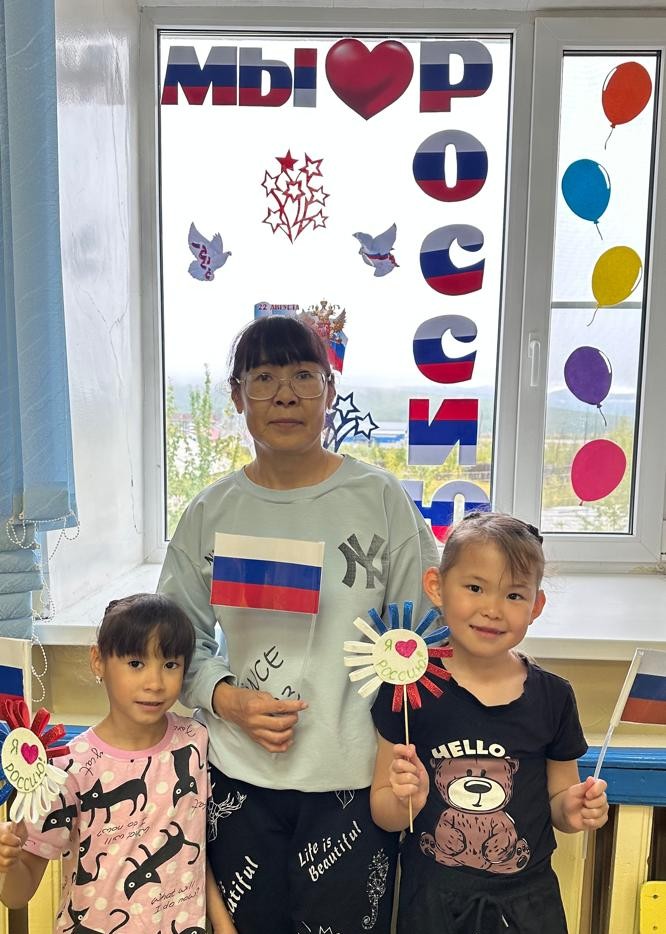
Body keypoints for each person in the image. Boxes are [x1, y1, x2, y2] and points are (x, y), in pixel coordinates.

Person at [158, 314, 439, 934]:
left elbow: (423, 636)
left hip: (355, 783)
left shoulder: (380, 500)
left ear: (329, 390)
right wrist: (225, 698)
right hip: (238, 778)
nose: (285, 395)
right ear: (237, 396)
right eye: (263, 378)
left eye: (304, 376)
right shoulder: (211, 512)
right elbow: (174, 643)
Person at [370, 512, 609, 934]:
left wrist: (574, 810)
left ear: (536, 606)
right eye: (475, 588)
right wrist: (409, 799)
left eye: (514, 595)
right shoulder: (409, 688)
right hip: (432, 901)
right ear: (436, 586)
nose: (492, 610)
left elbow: (560, 803)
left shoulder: (553, 697)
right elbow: (385, 812)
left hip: (527, 903)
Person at [0, 593, 236, 934]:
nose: (155, 683)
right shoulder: (67, 768)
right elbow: (17, 895)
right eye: (136, 663)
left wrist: (224, 926)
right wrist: (7, 863)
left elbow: (197, 851)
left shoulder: (195, 742)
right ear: (98, 660)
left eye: (170, 664)